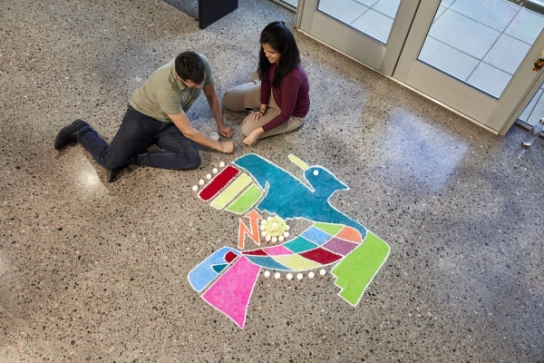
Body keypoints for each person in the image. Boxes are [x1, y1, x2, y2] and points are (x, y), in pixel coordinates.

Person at [54, 51, 234, 182]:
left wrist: (221, 124)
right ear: (178, 76)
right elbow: (187, 131)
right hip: (142, 118)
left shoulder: (202, 62)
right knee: (109, 161)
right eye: (193, 85)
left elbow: (211, 95)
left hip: (170, 121)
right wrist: (219, 146)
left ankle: (131, 156)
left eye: (200, 83)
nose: (198, 87)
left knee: (191, 159)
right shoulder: (166, 89)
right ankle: (81, 130)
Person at [222, 21, 310, 146]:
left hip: (290, 114)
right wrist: (262, 108)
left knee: (247, 129)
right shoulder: (269, 56)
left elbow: (285, 115)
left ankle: (259, 107)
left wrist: (257, 132)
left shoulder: (292, 77)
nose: (267, 55)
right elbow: (267, 80)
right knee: (228, 101)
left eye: (272, 52)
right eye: (265, 50)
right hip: (275, 92)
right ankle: (256, 85)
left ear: (284, 52)